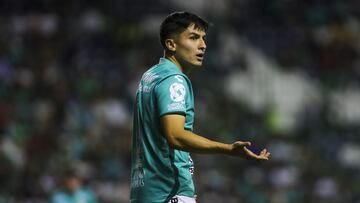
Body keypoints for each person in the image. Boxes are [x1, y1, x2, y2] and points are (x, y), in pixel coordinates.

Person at [130, 11, 270, 203]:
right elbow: (175, 135)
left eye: (203, 38)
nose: (203, 45)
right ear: (171, 44)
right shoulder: (174, 80)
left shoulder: (150, 76)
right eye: (194, 38)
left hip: (145, 193)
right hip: (168, 193)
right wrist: (227, 149)